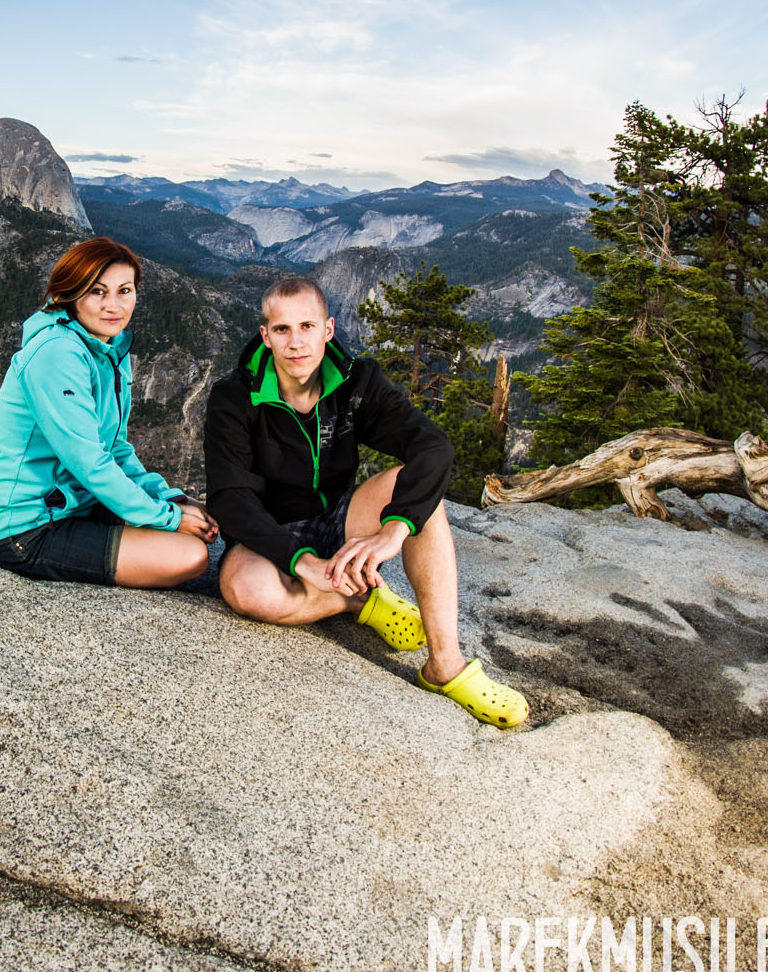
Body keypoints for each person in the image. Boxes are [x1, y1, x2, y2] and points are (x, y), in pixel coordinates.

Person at [203, 276, 529, 727]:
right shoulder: (234, 398)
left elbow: (433, 447)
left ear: (328, 330)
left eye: (307, 326)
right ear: (265, 336)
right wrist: (302, 562)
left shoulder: (358, 382)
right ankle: (360, 603)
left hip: (340, 516)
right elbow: (231, 498)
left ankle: (445, 665)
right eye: (282, 330)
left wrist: (395, 530)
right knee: (245, 591)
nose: (296, 342)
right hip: (271, 532)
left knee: (416, 490)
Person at [0, 236, 219, 588]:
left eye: (125, 290)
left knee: (195, 516)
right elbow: (89, 461)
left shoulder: (109, 350)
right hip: (28, 529)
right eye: (97, 291)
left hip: (79, 505)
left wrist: (170, 497)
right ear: (70, 295)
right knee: (189, 556)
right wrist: (166, 517)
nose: (114, 306)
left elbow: (116, 448)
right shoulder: (56, 353)